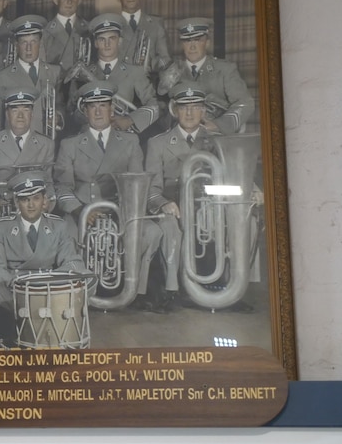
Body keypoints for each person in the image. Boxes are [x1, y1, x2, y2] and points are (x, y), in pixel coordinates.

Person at [53, 82, 161, 310]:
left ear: (112, 109)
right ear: (85, 111)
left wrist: (122, 211)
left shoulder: (130, 142)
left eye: (104, 105)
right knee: (64, 232)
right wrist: (80, 210)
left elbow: (136, 184)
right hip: (82, 210)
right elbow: (62, 187)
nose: (99, 111)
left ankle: (134, 291)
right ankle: (78, 290)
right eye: (93, 106)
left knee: (151, 231)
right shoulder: (69, 144)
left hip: (117, 210)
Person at [0, 171, 84, 322]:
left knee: (84, 275)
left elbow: (71, 262)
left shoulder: (59, 225)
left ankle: (50, 312)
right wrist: (18, 283)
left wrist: (47, 282)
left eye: (36, 198)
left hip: (49, 286)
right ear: (16, 202)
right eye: (25, 200)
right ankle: (16, 316)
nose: (31, 205)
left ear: (44, 201)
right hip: (13, 287)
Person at [144, 82, 213, 312]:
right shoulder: (158, 143)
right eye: (184, 107)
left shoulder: (216, 140)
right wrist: (163, 204)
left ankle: (230, 288)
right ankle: (171, 291)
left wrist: (252, 188)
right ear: (175, 110)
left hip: (208, 206)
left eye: (196, 106)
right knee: (170, 225)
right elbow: (151, 189)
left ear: (204, 110)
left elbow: (231, 175)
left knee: (245, 222)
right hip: (173, 206)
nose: (190, 113)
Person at [161, 17, 255, 134]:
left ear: (207, 43)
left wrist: (219, 125)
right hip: (180, 138)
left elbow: (245, 103)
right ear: (182, 45)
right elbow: (162, 107)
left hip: (216, 137)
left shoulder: (224, 70)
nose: (192, 47)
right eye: (187, 41)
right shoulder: (172, 71)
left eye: (198, 40)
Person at [0, 86, 56, 222]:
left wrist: (48, 200)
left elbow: (48, 181)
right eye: (15, 110)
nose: (20, 116)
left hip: (35, 209)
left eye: (26, 110)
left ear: (32, 113)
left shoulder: (46, 144)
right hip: (4, 208)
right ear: (7, 114)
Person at [81, 12, 160, 134]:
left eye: (112, 38)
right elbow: (73, 111)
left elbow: (154, 106)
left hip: (123, 137)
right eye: (102, 39)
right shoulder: (84, 73)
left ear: (120, 41)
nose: (107, 44)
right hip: (90, 135)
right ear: (96, 43)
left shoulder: (135, 71)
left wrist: (129, 120)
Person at [0, 15, 63, 137]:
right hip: (15, 149)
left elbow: (60, 105)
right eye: (24, 42)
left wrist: (59, 116)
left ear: (40, 43)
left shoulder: (54, 72)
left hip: (47, 145)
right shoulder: (1, 77)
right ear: (16, 45)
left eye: (33, 42)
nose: (29, 48)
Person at [110, 0, 170, 74]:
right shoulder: (111, 26)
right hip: (121, 86)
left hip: (148, 84)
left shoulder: (156, 24)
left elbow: (166, 59)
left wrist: (149, 63)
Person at [43, 0, 91, 71]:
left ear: (80, 0)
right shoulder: (44, 32)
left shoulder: (89, 29)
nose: (69, 2)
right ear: (56, 0)